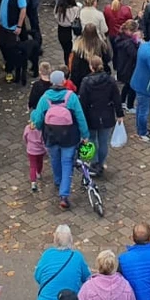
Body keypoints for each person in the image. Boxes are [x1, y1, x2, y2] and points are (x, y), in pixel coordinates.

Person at [32, 70, 89, 209]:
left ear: (51, 82)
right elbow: (80, 117)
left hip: (50, 136)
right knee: (67, 162)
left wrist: (39, 127)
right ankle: (64, 195)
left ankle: (58, 181)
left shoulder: (44, 98)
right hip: (69, 137)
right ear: (63, 81)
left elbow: (38, 120)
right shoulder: (71, 97)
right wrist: (85, 135)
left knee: (54, 159)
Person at [34, 224, 91, 300]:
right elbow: (87, 278)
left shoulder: (47, 254)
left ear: (55, 240)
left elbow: (37, 277)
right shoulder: (77, 257)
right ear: (71, 240)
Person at [78, 54, 122, 172]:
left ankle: (94, 163)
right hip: (107, 115)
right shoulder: (110, 80)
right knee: (103, 141)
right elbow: (116, 97)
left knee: (92, 139)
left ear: (91, 67)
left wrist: (81, 118)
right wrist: (119, 114)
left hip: (91, 116)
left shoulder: (86, 82)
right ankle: (101, 163)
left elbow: (83, 102)